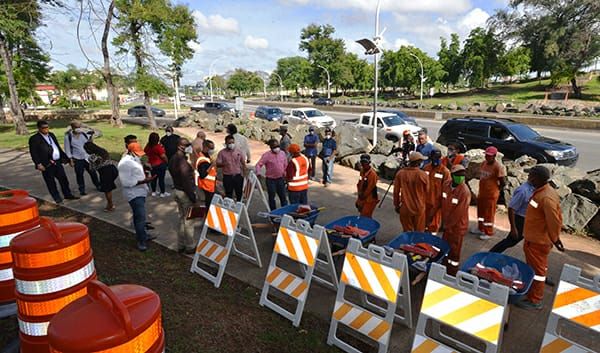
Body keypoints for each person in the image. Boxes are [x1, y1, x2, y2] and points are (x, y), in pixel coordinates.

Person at [517, 165, 564, 310]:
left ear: (538, 178)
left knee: (537, 273)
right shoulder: (542, 191)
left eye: (531, 176)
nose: (528, 178)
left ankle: (535, 300)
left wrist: (555, 239)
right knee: (537, 267)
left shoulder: (546, 197)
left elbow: (554, 221)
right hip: (533, 238)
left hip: (538, 242)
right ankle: (539, 282)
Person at [118, 140, 156, 251]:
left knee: (138, 216)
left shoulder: (135, 159)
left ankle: (143, 235)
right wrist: (145, 181)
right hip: (134, 194)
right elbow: (126, 182)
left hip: (141, 192)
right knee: (140, 217)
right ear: (130, 151)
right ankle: (141, 241)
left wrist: (145, 168)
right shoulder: (124, 163)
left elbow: (135, 171)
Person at [28, 120, 78, 203]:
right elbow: (34, 153)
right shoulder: (34, 139)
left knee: (63, 179)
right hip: (46, 164)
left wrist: (68, 159)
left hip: (57, 162)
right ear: (39, 128)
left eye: (47, 127)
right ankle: (57, 197)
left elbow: (57, 147)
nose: (46, 129)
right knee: (51, 182)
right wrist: (38, 164)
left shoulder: (51, 135)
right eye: (44, 128)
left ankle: (67, 194)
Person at [168, 137, 198, 254]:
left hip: (177, 190)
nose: (189, 147)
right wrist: (193, 197)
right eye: (187, 145)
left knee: (182, 220)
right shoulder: (182, 162)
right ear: (181, 146)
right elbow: (186, 181)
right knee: (189, 222)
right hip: (184, 193)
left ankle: (181, 244)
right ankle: (190, 246)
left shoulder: (173, 158)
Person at [441, 164, 471, 276]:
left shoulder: (464, 192)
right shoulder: (446, 184)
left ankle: (452, 272)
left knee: (454, 251)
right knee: (444, 246)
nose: (461, 177)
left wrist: (446, 225)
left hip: (457, 227)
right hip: (447, 224)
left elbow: (458, 213)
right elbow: (441, 202)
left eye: (463, 175)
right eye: (458, 175)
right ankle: (442, 266)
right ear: (452, 175)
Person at [489, 180, 535, 253]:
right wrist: (513, 228)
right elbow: (511, 209)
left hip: (527, 219)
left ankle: (494, 253)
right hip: (520, 219)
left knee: (512, 241)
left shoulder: (534, 189)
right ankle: (491, 254)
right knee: (511, 240)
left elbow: (530, 202)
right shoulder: (523, 191)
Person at [475, 146, 506, 240]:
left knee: (489, 214)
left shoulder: (497, 167)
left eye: (489, 156)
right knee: (480, 211)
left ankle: (488, 231)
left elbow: (502, 181)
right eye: (486, 155)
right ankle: (480, 228)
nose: (487, 157)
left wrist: (497, 190)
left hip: (491, 194)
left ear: (494, 156)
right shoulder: (484, 163)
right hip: (482, 192)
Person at [393, 152, 429, 232]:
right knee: (419, 232)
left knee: (407, 232)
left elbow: (396, 192)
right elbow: (427, 191)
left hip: (405, 207)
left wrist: (396, 205)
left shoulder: (401, 173)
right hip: (419, 207)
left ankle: (407, 243)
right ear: (418, 162)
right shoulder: (423, 175)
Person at [64, 121, 100, 195]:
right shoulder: (68, 136)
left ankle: (98, 185)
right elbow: (67, 148)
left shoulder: (85, 134)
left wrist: (86, 126)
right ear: (73, 128)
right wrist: (70, 159)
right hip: (77, 158)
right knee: (79, 174)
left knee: (93, 172)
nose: (79, 129)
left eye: (79, 127)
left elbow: (97, 132)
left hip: (87, 157)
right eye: (77, 127)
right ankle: (82, 189)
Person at [84, 141, 118, 212]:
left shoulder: (92, 157)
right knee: (109, 188)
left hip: (105, 173)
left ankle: (110, 206)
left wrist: (91, 164)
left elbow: (92, 169)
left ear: (89, 150)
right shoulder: (103, 151)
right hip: (113, 169)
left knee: (107, 190)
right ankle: (109, 205)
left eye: (86, 150)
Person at [255, 139, 288, 210]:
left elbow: (285, 165)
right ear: (270, 147)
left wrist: (286, 175)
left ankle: (285, 211)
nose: (276, 148)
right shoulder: (266, 155)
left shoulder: (282, 153)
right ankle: (273, 213)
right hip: (271, 180)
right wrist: (258, 173)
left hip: (281, 179)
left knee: (283, 197)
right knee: (272, 197)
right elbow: (258, 164)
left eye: (277, 146)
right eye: (274, 147)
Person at [424, 149, 451, 234]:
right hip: (425, 200)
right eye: (434, 158)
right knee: (424, 219)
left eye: (437, 158)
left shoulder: (445, 171)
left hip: (437, 202)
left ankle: (433, 234)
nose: (436, 160)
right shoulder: (426, 168)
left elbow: (447, 188)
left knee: (434, 222)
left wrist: (443, 202)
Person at [216, 135, 246, 201]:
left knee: (239, 193)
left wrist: (244, 174)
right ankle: (228, 209)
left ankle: (239, 207)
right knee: (228, 194)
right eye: (229, 143)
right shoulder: (222, 153)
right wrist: (224, 164)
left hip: (238, 176)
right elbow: (217, 164)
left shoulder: (238, 151)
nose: (231, 144)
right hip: (227, 176)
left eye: (232, 142)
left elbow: (243, 163)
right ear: (226, 143)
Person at [144, 132, 170, 197]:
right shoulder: (158, 147)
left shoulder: (148, 146)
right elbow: (163, 156)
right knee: (161, 179)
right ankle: (162, 192)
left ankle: (154, 191)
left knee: (153, 178)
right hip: (160, 164)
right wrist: (167, 162)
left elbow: (145, 152)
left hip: (151, 164)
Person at [196, 140, 217, 207]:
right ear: (205, 147)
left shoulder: (206, 156)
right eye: (211, 148)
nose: (213, 150)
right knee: (209, 203)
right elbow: (203, 174)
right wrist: (211, 166)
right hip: (206, 185)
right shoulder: (202, 160)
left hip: (209, 185)